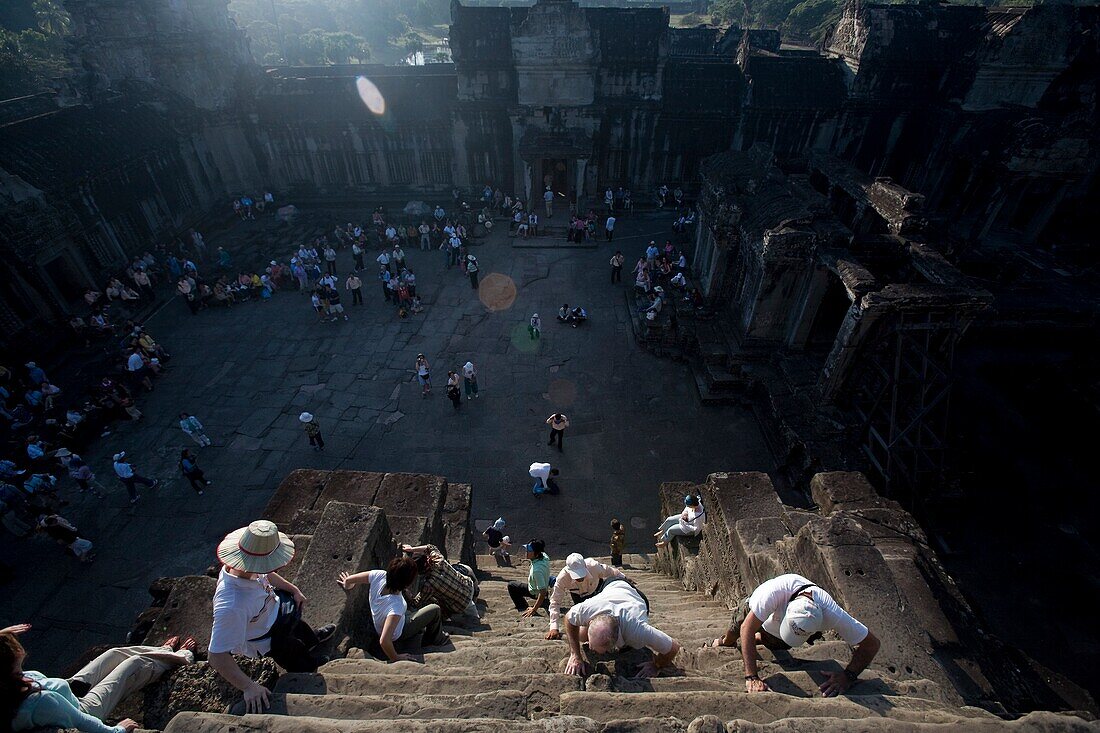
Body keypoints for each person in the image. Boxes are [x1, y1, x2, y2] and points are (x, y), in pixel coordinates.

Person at [209, 521, 336, 712]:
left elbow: (266, 575)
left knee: (301, 629)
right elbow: (216, 655)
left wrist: (293, 590)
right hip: (269, 637)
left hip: (277, 611)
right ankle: (309, 667)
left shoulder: (243, 567)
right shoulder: (232, 604)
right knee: (293, 655)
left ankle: (313, 640)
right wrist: (249, 686)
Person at [708, 574, 881, 696]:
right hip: (753, 610)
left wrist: (848, 676)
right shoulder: (773, 594)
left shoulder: (833, 614)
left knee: (777, 643)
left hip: (775, 632)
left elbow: (872, 644)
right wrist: (752, 677)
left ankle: (758, 639)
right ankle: (724, 642)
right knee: (734, 631)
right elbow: (746, 627)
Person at [1, 626, 194, 733]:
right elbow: (84, 722)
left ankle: (164, 651)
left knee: (113, 653)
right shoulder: (40, 702)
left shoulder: (8, 684)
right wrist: (118, 730)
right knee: (135, 665)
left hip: (67, 690)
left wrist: (4, 634)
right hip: (84, 708)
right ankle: (183, 656)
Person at [564, 578, 680, 679]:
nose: (590, 647)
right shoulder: (588, 609)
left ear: (612, 646)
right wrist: (575, 654)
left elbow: (673, 647)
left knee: (631, 647)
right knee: (582, 636)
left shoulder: (638, 631)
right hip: (612, 586)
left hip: (636, 598)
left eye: (594, 648)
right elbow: (568, 618)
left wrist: (656, 666)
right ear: (591, 620)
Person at [337, 557, 447, 661]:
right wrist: (396, 657)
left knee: (412, 612)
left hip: (388, 620)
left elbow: (349, 580)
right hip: (399, 633)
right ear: (407, 583)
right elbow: (384, 640)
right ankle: (436, 640)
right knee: (435, 609)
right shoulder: (396, 606)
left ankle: (422, 630)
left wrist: (348, 585)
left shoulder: (379, 575)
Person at [546, 553, 626, 640]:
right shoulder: (562, 578)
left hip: (597, 591)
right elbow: (555, 601)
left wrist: (624, 578)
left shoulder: (593, 566)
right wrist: (554, 627)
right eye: (576, 575)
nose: (579, 578)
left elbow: (610, 571)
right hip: (579, 597)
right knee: (584, 623)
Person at [400, 543, 478, 620]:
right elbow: (430, 547)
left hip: (462, 605)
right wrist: (412, 549)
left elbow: (415, 603)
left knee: (431, 600)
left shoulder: (428, 585)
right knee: (461, 568)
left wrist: (405, 591)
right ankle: (476, 592)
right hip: (468, 585)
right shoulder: (438, 560)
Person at [507, 540, 550, 616]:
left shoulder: (536, 570)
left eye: (529, 550)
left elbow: (542, 591)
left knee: (511, 585)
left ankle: (523, 607)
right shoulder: (544, 557)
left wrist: (534, 609)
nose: (526, 551)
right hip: (543, 586)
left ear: (536, 554)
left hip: (535, 592)